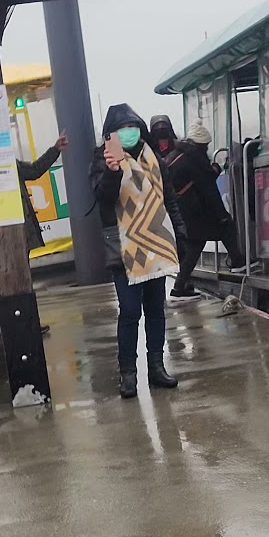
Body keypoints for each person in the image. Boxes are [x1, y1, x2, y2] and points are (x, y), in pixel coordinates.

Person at [90, 104, 187, 399]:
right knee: (130, 311)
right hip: (124, 248)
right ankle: (128, 374)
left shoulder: (154, 159)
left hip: (156, 243)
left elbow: (168, 199)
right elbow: (103, 198)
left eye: (133, 126)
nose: (129, 132)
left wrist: (179, 233)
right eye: (122, 128)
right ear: (111, 136)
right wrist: (111, 171)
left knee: (157, 309)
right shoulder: (101, 161)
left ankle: (156, 367)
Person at [167, 122, 248, 302]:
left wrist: (215, 170)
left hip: (182, 210)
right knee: (225, 226)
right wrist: (221, 215)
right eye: (206, 146)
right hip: (194, 210)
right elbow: (208, 189)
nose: (208, 149)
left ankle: (180, 287)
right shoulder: (195, 158)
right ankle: (237, 262)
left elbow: (199, 178)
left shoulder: (177, 155)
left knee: (195, 246)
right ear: (201, 145)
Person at [17, 130, 70, 335]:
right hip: (3, 239)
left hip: (19, 234)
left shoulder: (11, 166)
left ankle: (28, 324)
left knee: (24, 280)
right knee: (18, 282)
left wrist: (55, 149)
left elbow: (34, 169)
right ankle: (22, 326)